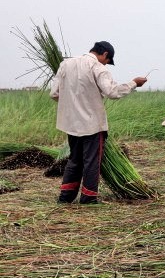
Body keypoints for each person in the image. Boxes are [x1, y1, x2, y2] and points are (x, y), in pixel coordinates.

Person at [49, 41, 147, 204]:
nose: (106, 63)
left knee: (74, 159)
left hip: (71, 124)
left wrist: (73, 105)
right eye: (107, 61)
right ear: (105, 55)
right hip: (92, 124)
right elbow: (112, 92)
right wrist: (134, 83)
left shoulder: (66, 64)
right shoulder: (98, 68)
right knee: (91, 161)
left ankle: (65, 197)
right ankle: (88, 198)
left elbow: (54, 93)